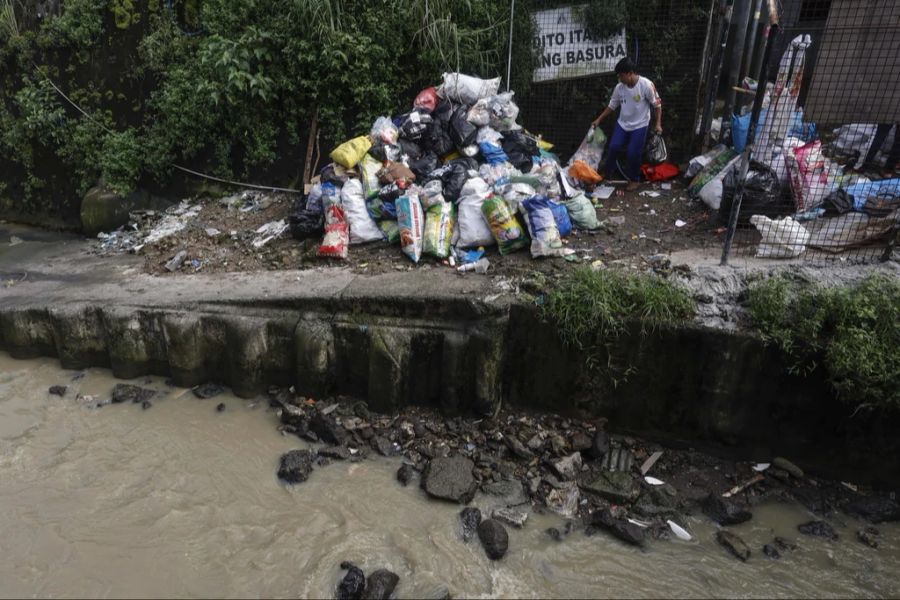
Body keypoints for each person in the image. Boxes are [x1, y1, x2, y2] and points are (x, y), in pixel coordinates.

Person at [592, 57, 662, 191]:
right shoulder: (619, 88)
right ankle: (606, 175)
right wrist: (599, 119)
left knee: (632, 152)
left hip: (640, 124)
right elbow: (612, 106)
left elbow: (657, 105)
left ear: (630, 73)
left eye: (621, 75)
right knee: (613, 147)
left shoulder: (646, 85)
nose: (619, 78)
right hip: (623, 123)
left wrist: (658, 124)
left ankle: (634, 179)